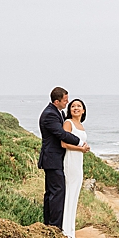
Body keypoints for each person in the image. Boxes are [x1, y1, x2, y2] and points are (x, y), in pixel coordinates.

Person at [38, 86, 88, 230]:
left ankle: (49, 225)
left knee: (52, 193)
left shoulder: (56, 112)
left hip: (55, 159)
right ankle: (55, 227)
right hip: (52, 159)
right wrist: (80, 143)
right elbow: (61, 134)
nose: (67, 103)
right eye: (65, 100)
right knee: (57, 193)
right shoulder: (50, 114)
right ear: (56, 101)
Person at [61, 98, 88, 238]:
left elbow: (81, 143)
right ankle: (66, 231)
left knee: (75, 195)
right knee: (69, 194)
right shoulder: (68, 123)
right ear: (69, 110)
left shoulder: (81, 125)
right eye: (73, 106)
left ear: (83, 110)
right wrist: (80, 148)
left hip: (79, 162)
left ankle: (71, 230)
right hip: (71, 161)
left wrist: (85, 148)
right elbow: (64, 144)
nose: (75, 108)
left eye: (79, 106)